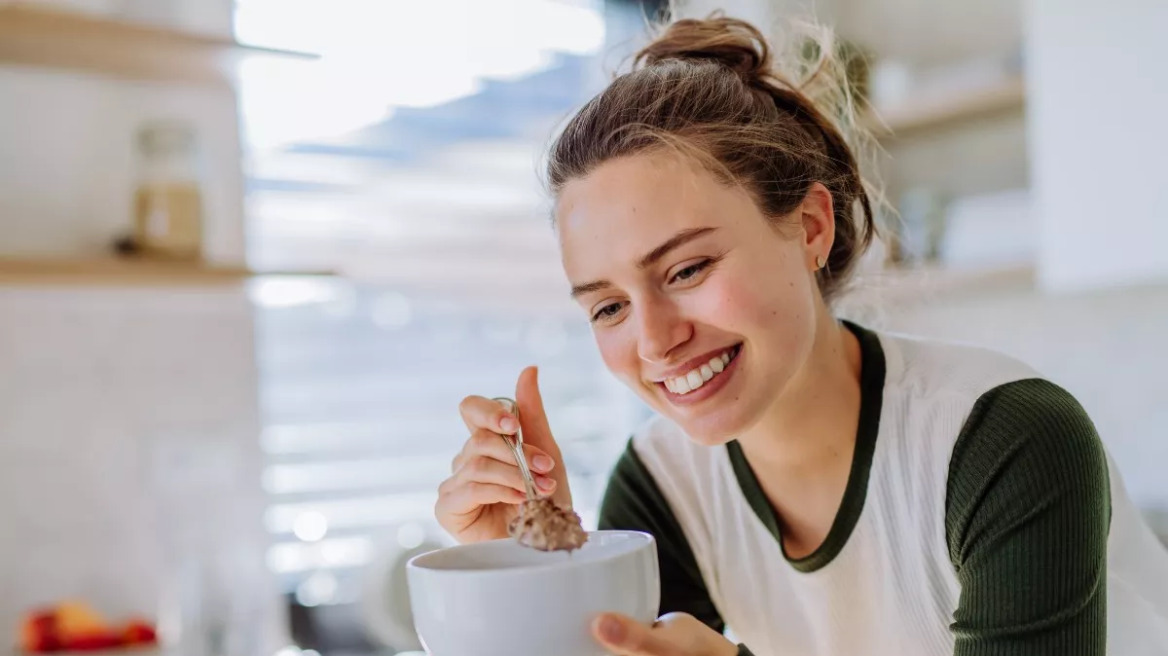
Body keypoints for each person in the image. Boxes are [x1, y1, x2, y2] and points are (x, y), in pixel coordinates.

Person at [435, 13, 1168, 656]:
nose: (655, 341)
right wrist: (516, 576)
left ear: (810, 227)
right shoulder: (664, 487)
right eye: (608, 308)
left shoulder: (1005, 441)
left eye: (687, 269)